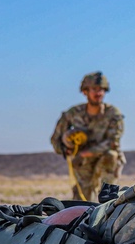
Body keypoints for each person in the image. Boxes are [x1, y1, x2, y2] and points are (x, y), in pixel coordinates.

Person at [50, 71, 126, 202]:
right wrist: (65, 149)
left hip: (106, 161)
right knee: (82, 204)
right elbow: (55, 139)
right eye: (94, 89)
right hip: (83, 165)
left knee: (111, 157)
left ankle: (109, 207)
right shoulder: (73, 114)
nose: (98, 93)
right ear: (85, 92)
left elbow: (112, 142)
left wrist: (84, 154)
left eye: (101, 90)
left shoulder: (113, 114)